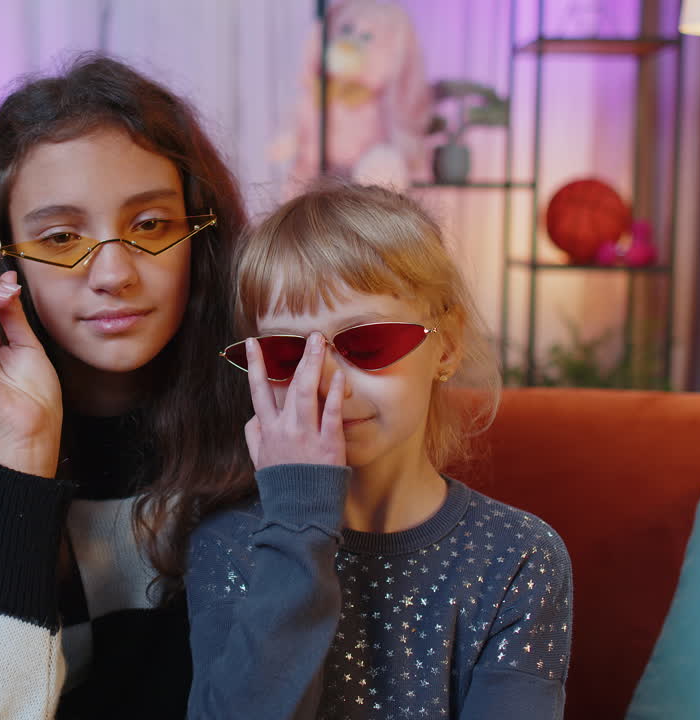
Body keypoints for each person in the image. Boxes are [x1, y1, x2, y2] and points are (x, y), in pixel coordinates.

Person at [0, 54, 253, 719]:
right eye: (61, 237)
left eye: (149, 225)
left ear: (199, 243)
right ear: (3, 260)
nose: (113, 272)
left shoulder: (267, 439)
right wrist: (23, 452)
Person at [185, 182, 573, 719]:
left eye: (366, 343)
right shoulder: (228, 547)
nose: (325, 385)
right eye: (285, 353)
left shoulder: (519, 556)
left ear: (449, 345)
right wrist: (298, 522)